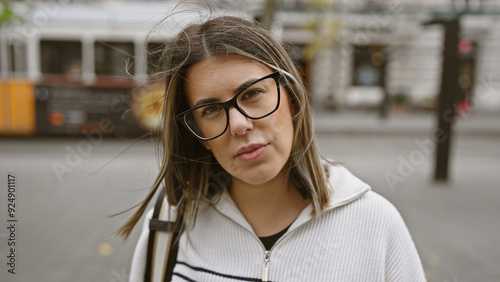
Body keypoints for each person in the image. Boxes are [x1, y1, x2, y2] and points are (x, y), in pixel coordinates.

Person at [118, 14, 426, 282]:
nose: (239, 124)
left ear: (291, 96)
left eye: (252, 94)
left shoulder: (375, 223)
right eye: (211, 110)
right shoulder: (170, 223)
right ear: (199, 134)